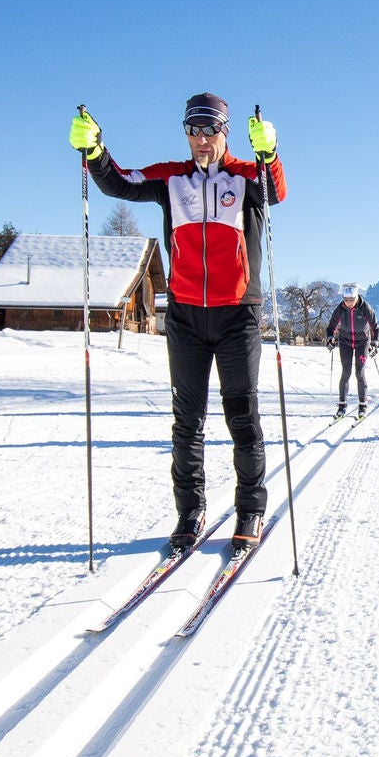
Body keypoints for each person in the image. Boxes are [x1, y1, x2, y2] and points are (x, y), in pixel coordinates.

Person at [69, 93, 287, 555]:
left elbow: (276, 190)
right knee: (186, 422)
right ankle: (190, 512)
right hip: (185, 315)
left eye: (211, 130)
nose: (202, 140)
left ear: (226, 132)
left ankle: (250, 509)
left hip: (237, 315)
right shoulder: (171, 178)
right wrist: (95, 153)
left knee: (242, 417)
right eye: (194, 130)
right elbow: (120, 183)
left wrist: (268, 153)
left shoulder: (245, 177)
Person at [326, 283, 378, 418]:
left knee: (359, 373)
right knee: (346, 372)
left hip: (362, 342)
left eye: (351, 300)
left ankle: (362, 405)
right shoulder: (340, 309)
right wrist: (330, 338)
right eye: (346, 300)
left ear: (356, 297)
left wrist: (374, 343)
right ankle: (342, 405)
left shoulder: (365, 308)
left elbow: (375, 327)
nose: (348, 303)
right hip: (345, 342)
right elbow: (330, 327)